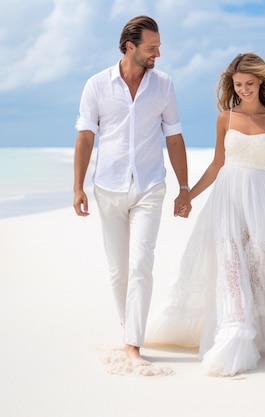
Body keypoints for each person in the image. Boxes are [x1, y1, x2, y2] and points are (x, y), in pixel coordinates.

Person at [148, 52, 265, 376]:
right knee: (230, 264)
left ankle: (253, 335)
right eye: (238, 84)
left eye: (249, 84)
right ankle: (233, 336)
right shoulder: (225, 117)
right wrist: (188, 194)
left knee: (258, 267)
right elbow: (216, 165)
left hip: (263, 197)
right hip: (227, 196)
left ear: (261, 82)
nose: (243, 89)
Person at [72, 15, 191, 366]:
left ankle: (133, 345)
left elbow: (174, 136)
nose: (158, 54)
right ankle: (130, 329)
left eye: (159, 47)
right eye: (152, 48)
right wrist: (77, 186)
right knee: (118, 270)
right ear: (130, 47)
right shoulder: (96, 85)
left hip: (150, 186)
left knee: (141, 263)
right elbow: (85, 136)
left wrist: (184, 187)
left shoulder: (164, 85)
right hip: (107, 186)